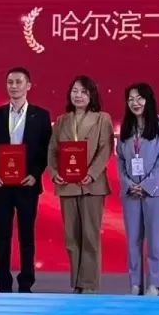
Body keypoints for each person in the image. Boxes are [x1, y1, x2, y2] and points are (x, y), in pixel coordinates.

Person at [0, 67, 52, 293]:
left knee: (26, 235)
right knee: (1, 235)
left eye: (18, 82)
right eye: (10, 82)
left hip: (27, 184)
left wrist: (35, 174)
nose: (14, 86)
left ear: (28, 86)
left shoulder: (40, 115)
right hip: (1, 185)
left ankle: (26, 282)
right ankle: (3, 283)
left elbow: (46, 149)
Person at [47, 75, 113, 294]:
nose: (78, 95)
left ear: (91, 95)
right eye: (75, 91)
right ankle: (77, 283)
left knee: (90, 236)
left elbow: (105, 149)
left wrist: (92, 174)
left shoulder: (102, 118)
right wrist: (54, 173)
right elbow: (52, 150)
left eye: (84, 91)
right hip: (67, 185)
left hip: (92, 186)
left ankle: (90, 284)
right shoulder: (62, 121)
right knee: (71, 237)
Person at [116, 83, 159, 296]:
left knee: (155, 241)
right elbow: (120, 161)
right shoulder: (126, 127)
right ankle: (135, 284)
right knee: (133, 240)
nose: (135, 103)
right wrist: (128, 184)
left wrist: (147, 185)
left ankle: (154, 284)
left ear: (148, 100)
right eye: (130, 99)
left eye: (139, 98)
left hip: (157, 193)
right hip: (131, 193)